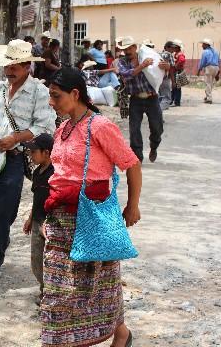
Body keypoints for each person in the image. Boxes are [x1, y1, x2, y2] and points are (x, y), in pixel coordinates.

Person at [42, 66, 142, 347]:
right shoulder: (62, 128)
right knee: (57, 291)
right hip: (61, 219)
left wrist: (132, 206)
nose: (52, 102)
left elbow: (131, 165)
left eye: (56, 96)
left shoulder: (100, 126)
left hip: (92, 218)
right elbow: (58, 174)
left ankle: (120, 335)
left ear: (75, 94)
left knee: (100, 285)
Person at [0, 39, 56, 294]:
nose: (9, 71)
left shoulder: (39, 92)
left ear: (27, 66)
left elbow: (45, 128)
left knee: (0, 214)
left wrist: (15, 138)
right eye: (7, 65)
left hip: (14, 159)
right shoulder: (0, 89)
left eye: (15, 66)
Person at [116, 36, 170, 163]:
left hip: (152, 98)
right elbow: (126, 75)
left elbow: (160, 72)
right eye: (125, 49)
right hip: (135, 99)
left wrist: (165, 68)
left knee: (157, 127)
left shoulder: (146, 56)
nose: (128, 51)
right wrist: (142, 66)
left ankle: (154, 146)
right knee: (134, 129)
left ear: (135, 47)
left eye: (130, 48)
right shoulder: (122, 62)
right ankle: (137, 157)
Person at [21, 133, 54, 297]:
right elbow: (37, 198)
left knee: (52, 260)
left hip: (51, 225)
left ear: (46, 152)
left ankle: (49, 293)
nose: (30, 155)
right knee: (36, 260)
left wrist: (49, 223)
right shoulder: (37, 174)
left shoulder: (56, 174)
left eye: (34, 152)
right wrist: (30, 218)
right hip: (37, 222)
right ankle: (44, 288)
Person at [197, 38, 220, 104]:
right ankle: (208, 96)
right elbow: (219, 61)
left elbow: (202, 62)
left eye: (203, 44)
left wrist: (199, 70)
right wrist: (218, 73)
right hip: (216, 67)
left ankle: (209, 98)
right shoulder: (215, 51)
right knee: (211, 83)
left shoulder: (205, 52)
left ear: (206, 45)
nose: (202, 46)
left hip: (209, 67)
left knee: (208, 83)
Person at [159, 41, 175, 110]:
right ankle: (160, 112)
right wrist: (173, 81)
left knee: (160, 95)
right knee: (166, 97)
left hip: (158, 78)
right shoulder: (169, 54)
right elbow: (171, 69)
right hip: (165, 78)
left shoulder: (159, 54)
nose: (173, 50)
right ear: (167, 47)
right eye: (172, 48)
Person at [171, 39, 186, 107]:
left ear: (177, 47)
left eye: (174, 47)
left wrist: (176, 66)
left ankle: (176, 102)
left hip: (177, 72)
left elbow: (182, 60)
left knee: (177, 87)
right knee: (175, 87)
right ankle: (173, 100)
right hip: (177, 71)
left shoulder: (179, 54)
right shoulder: (177, 54)